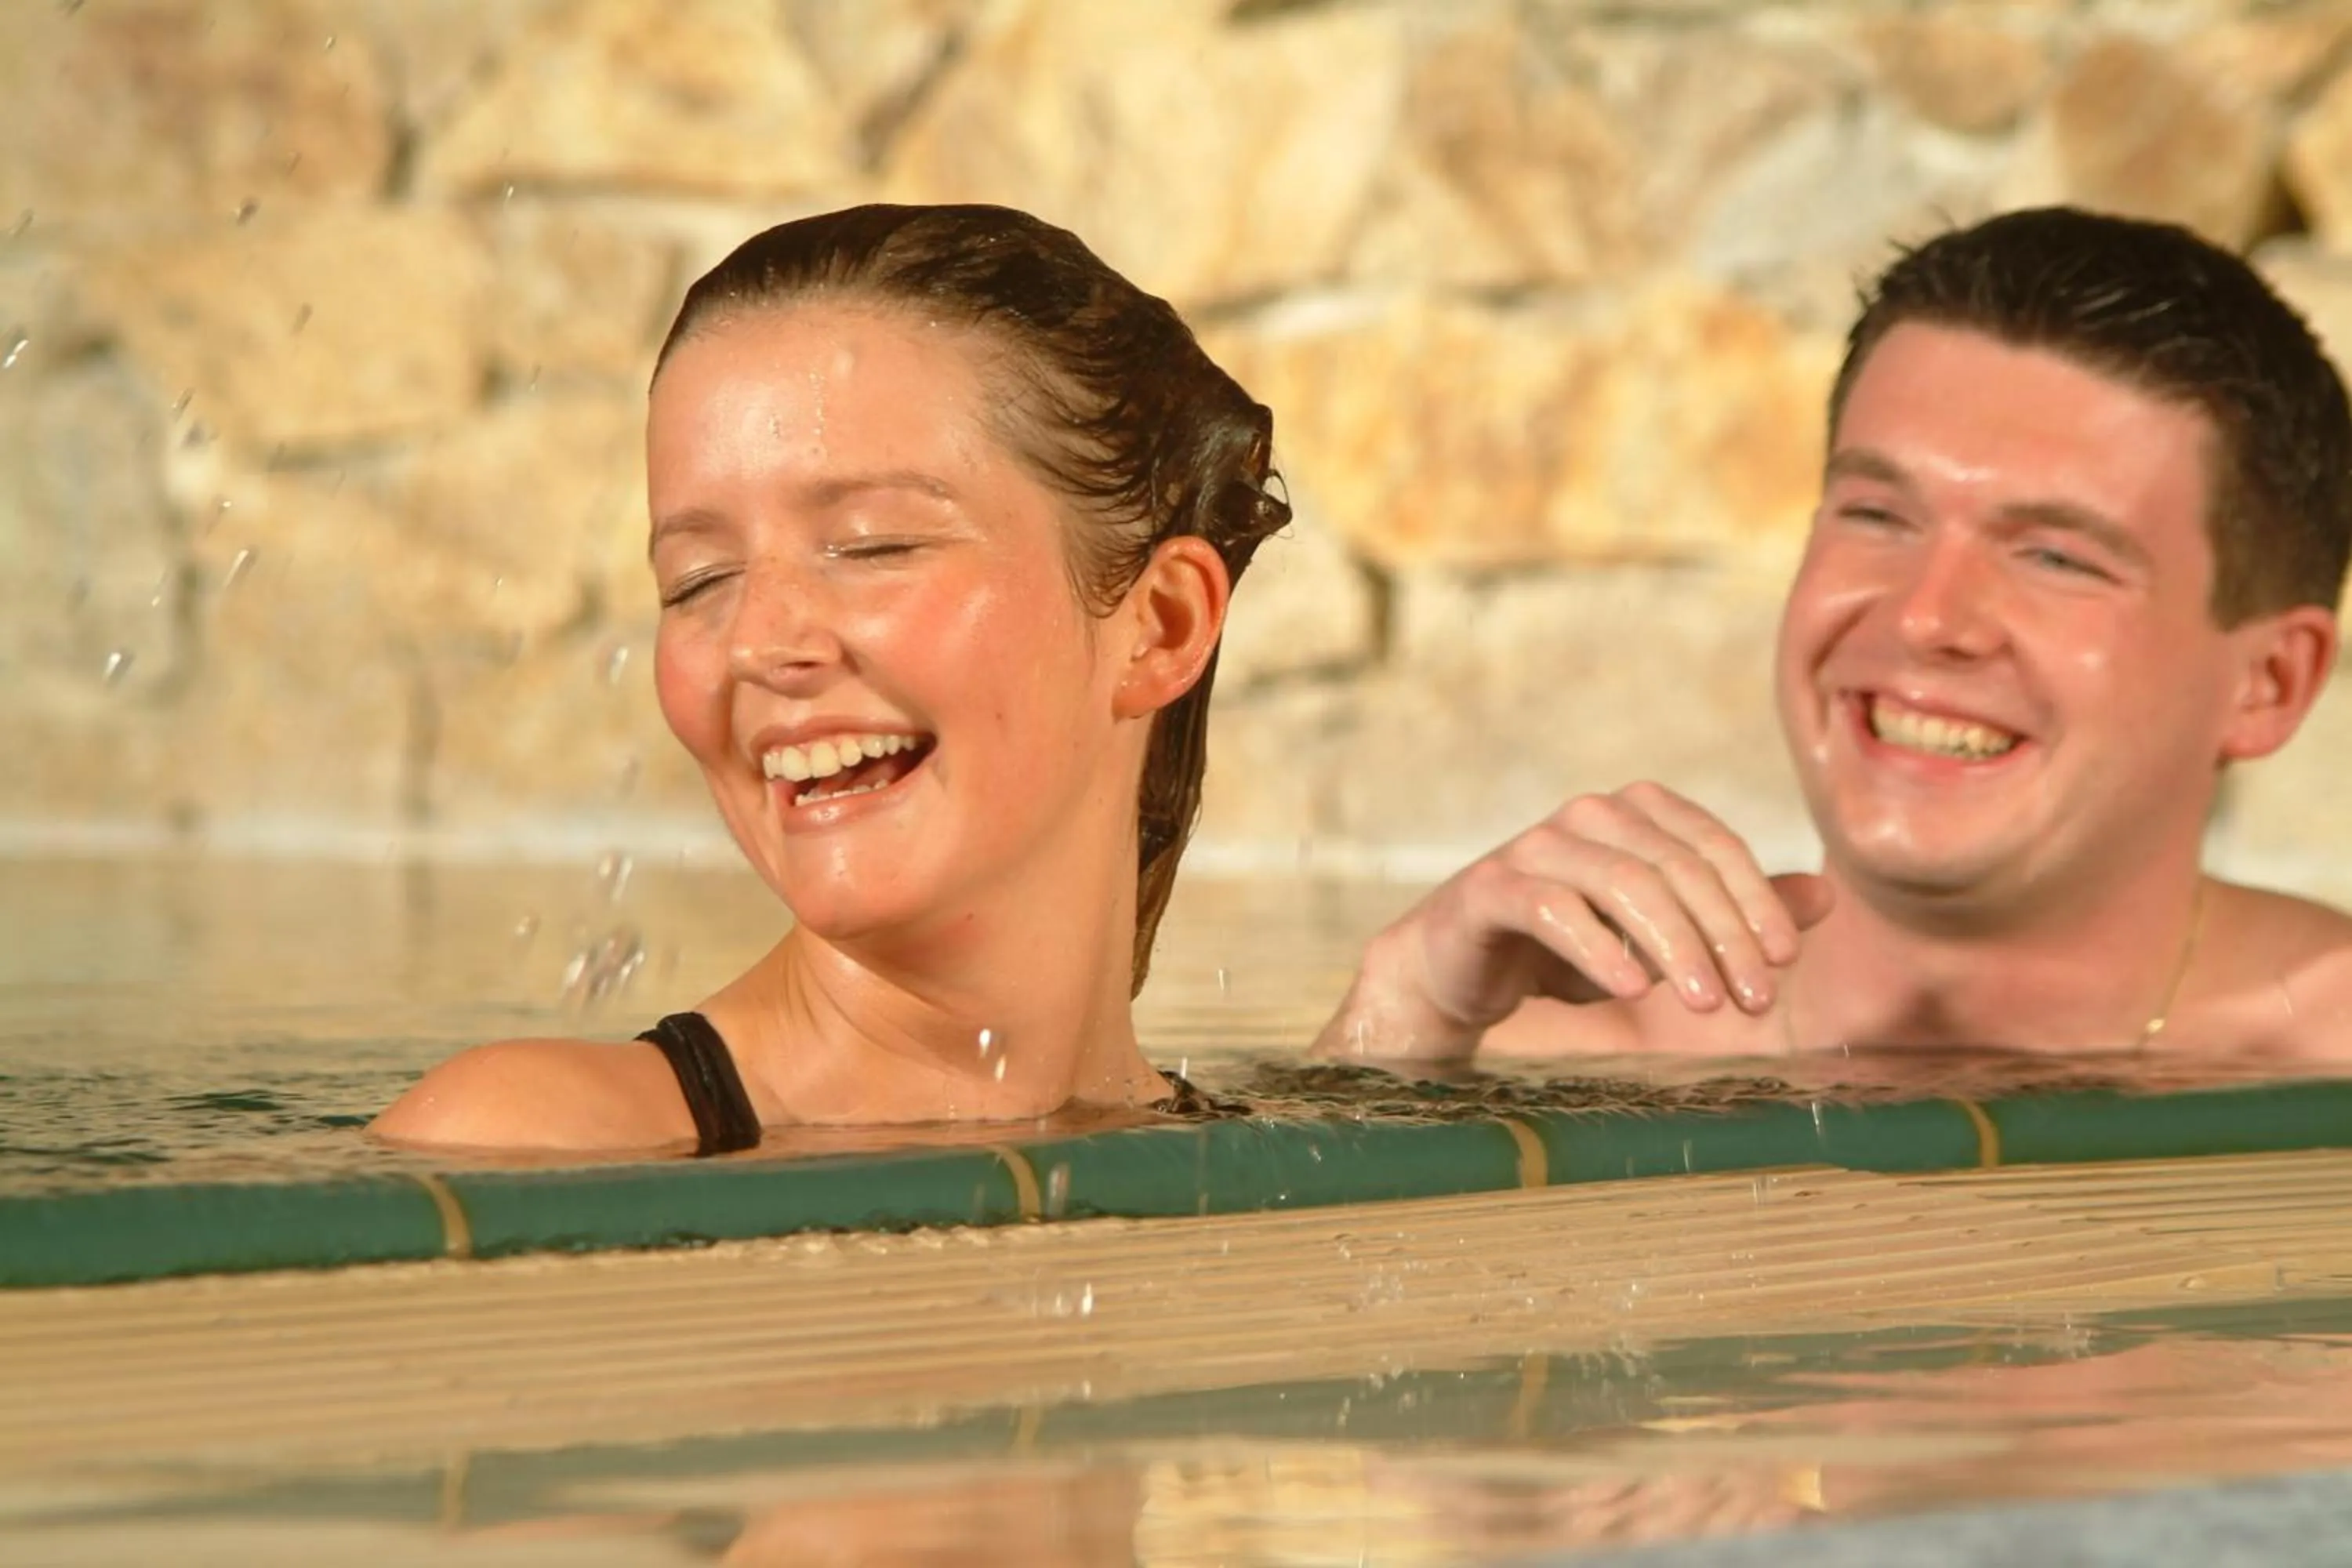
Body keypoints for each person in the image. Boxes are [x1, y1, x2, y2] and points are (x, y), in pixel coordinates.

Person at [1319, 206, 2352, 1063]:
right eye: (1878, 515)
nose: (1925, 616)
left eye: (2055, 557)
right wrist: (1401, 1014)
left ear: (2267, 682)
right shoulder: (1540, 1057)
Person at [374, 203, 1288, 1152]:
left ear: (1160, 626)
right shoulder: (527, 1138)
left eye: (872, 544)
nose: (759, 642)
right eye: (699, 580)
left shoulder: (1250, 1158)